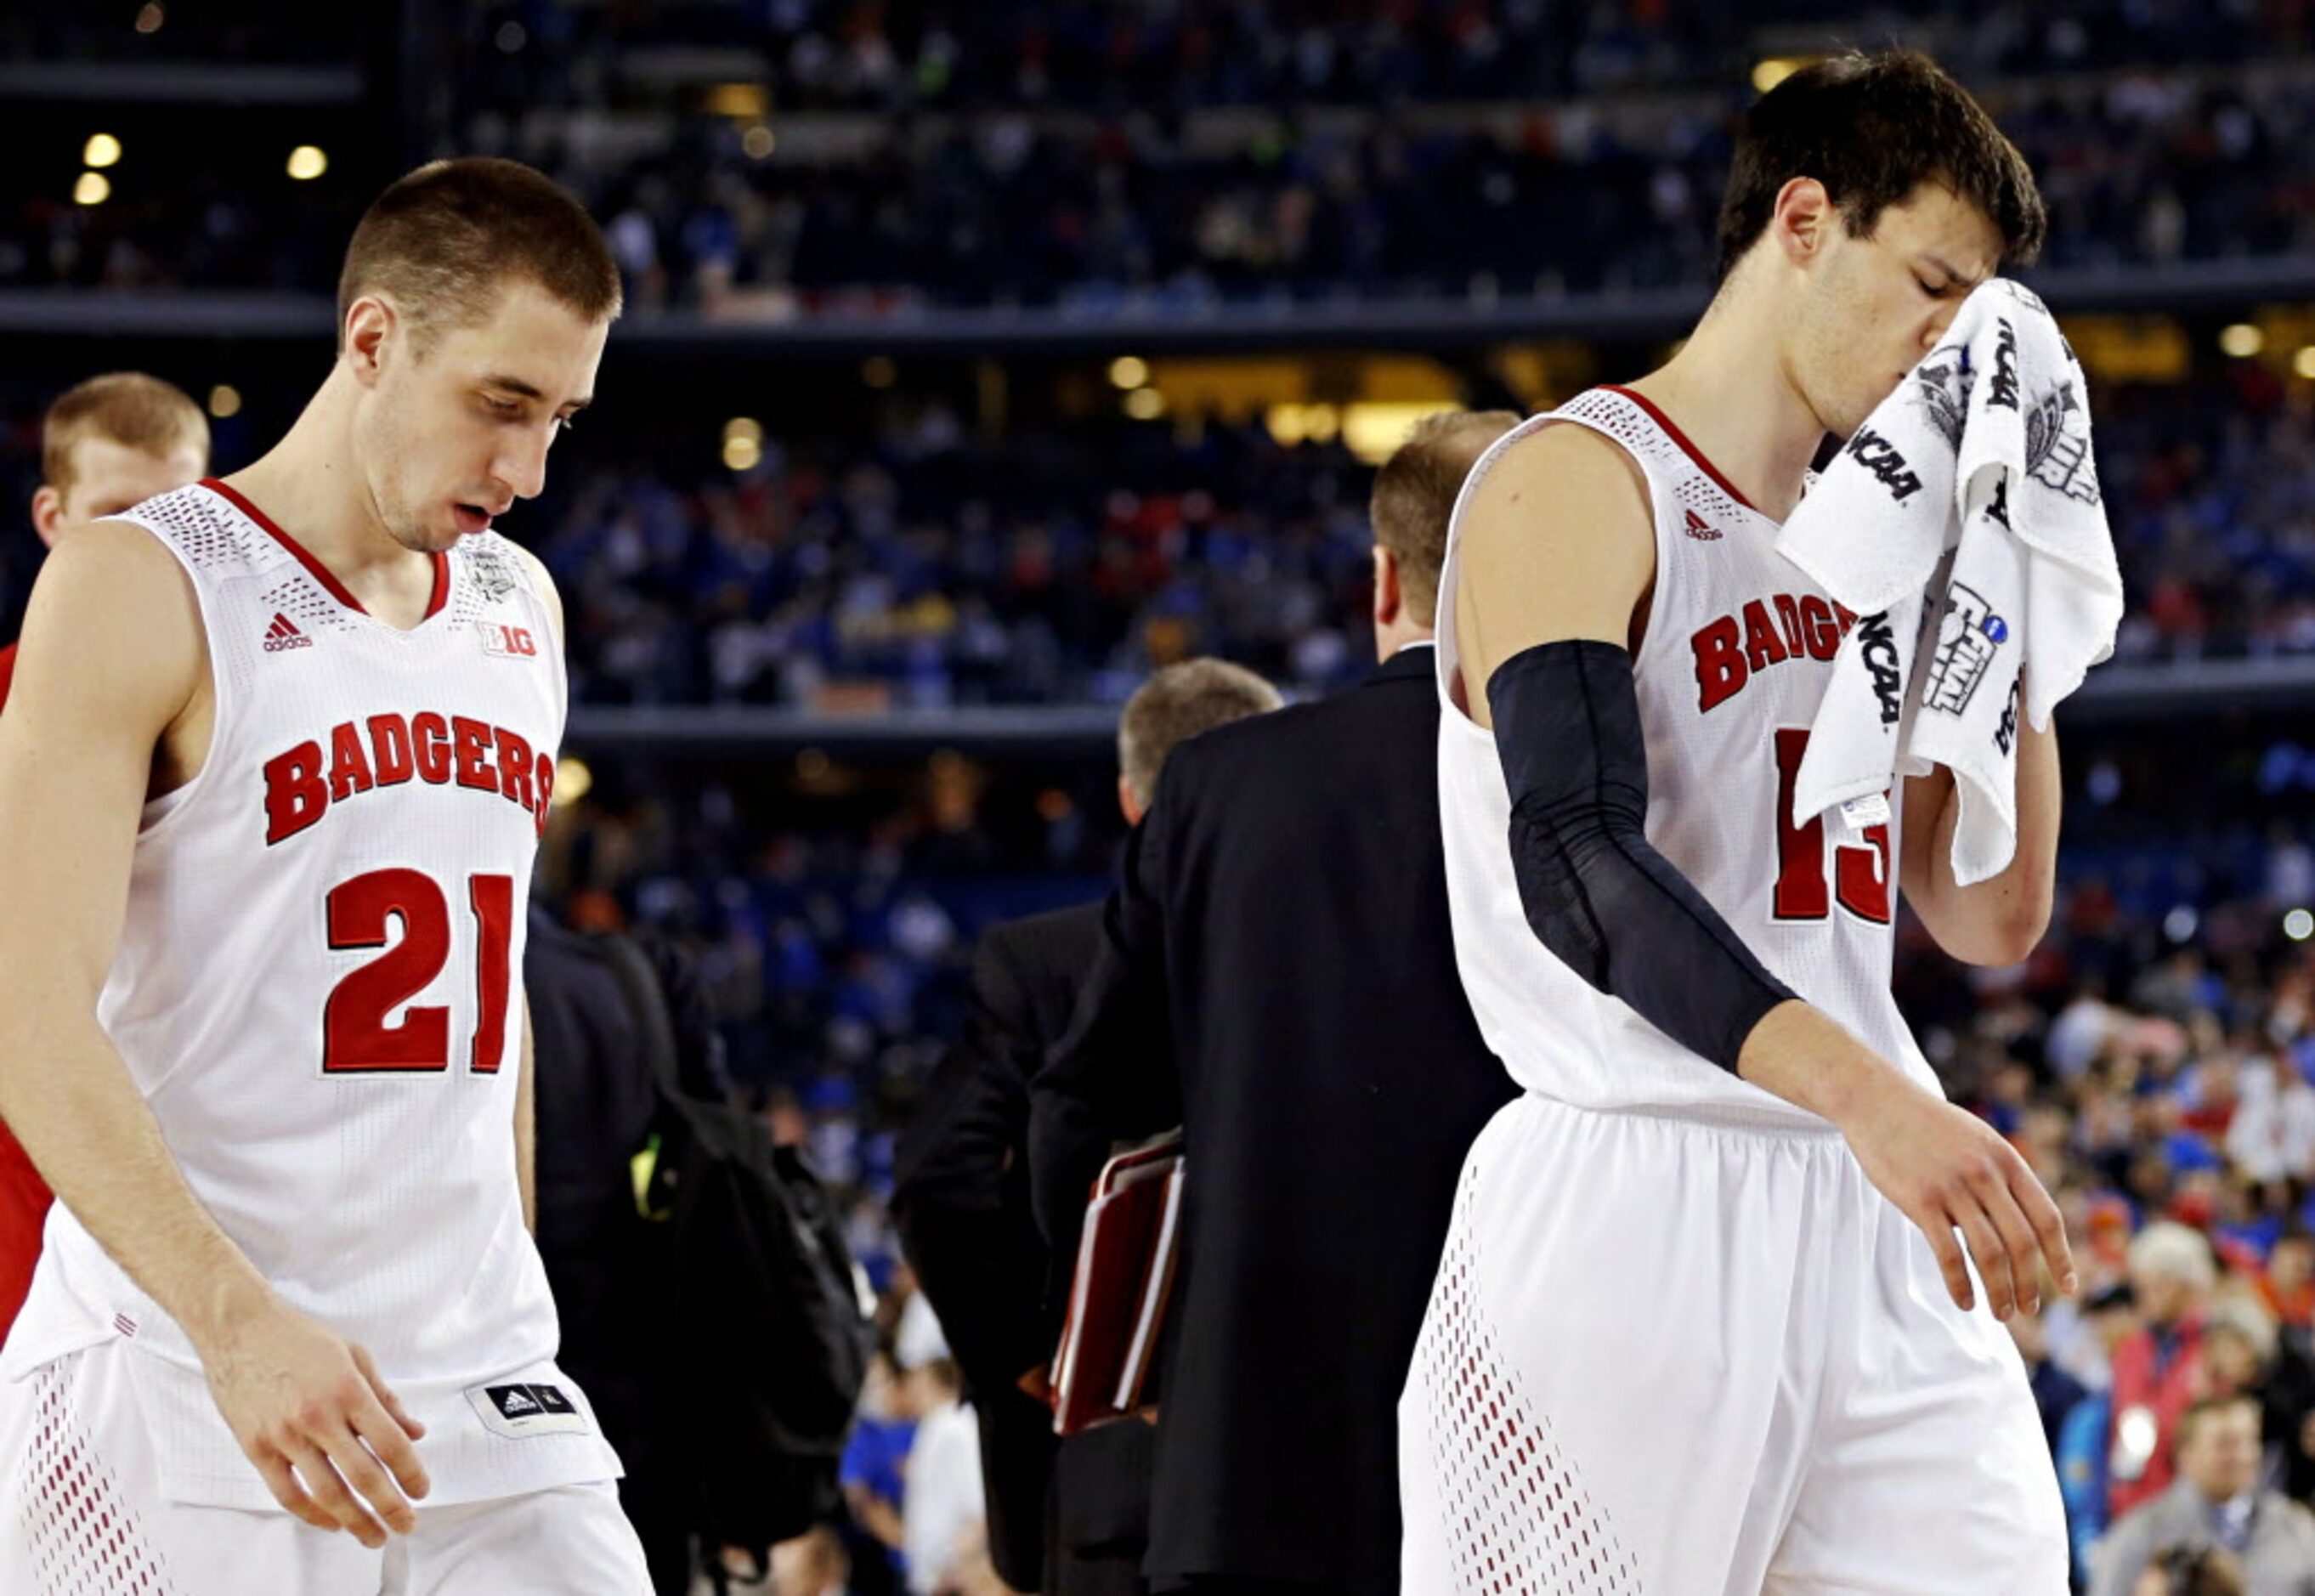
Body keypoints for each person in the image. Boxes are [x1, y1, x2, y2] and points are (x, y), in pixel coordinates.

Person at [1400, 51, 2075, 1591]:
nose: (1943, 348)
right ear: (1797, 220)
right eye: (1923, 284)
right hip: (1632, 1186)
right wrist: (1866, 1094)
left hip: (1861, 1204)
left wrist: (2009, 595)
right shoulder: (1569, 478)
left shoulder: (1884, 554)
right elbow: (1572, 858)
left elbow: (1985, 915)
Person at [0, 157, 650, 1590]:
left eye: (559, 418)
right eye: (500, 403)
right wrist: (236, 1322)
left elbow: (499, 1007)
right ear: (373, 341)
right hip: (173, 1376)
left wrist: (512, 1272)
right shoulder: (140, 582)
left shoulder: (519, 607)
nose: (528, 471)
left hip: (476, 1378)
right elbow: (24, 1020)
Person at [1031, 410, 1523, 1596]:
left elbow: (1084, 1106)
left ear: (1382, 580)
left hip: (1250, 1456)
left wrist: (1124, 1335)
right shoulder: (1629, 791)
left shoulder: (1214, 786)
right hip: (1536, 1461)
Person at [893, 656, 1283, 1595]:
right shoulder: (1352, 952)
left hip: (1111, 1452)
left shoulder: (1041, 961)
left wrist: (1038, 1353)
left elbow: (939, 1180)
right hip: (1318, 1450)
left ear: (1129, 797)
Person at [0, 371, 210, 1345]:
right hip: (26, 1200)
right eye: (119, 515)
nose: (151, 546)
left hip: (199, 1197)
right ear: (52, 516)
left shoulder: (261, 707)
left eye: (180, 514)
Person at [2092, 1395, 2315, 1596]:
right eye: (2225, 1444)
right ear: (2185, 1455)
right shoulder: (2140, 1534)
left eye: (2251, 1440)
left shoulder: (2296, 1527)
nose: (2243, 1455)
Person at [2113, 1223, 2221, 1518]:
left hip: (2192, 1507)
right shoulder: (2131, 1349)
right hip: (2130, 1499)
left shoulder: (2215, 1345)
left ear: (2190, 1285)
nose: (2148, 1294)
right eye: (2143, 1285)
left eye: (2160, 1283)